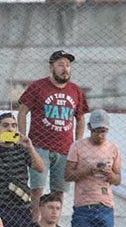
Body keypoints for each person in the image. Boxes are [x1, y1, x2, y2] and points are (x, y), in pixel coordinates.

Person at [17, 49, 90, 201]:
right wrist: (23, 137)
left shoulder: (76, 90)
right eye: (61, 65)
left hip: (65, 149)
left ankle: (52, 223)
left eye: (68, 65)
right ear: (51, 67)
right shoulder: (37, 86)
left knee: (59, 192)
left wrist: (77, 144)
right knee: (36, 190)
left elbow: (81, 118)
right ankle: (34, 222)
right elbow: (22, 112)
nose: (65, 69)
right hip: (39, 147)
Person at [65, 109, 121, 227]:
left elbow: (118, 179)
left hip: (105, 206)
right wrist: (88, 171)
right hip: (83, 207)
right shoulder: (77, 147)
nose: (100, 135)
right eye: (97, 131)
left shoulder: (113, 149)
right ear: (89, 127)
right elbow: (68, 175)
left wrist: (110, 175)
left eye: (103, 131)